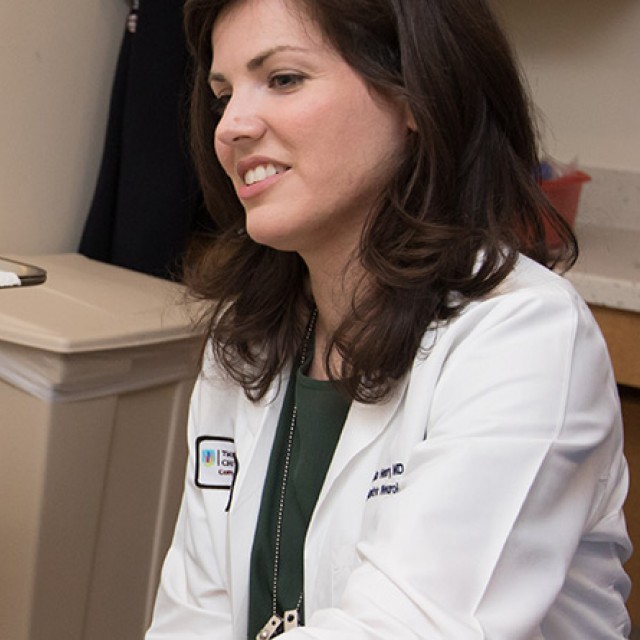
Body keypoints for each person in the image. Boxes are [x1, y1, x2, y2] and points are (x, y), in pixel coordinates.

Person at [146, 0, 632, 638]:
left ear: (414, 97)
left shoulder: (523, 333)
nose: (230, 125)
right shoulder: (246, 343)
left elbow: (407, 626)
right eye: (222, 93)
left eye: (284, 79)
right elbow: (195, 617)